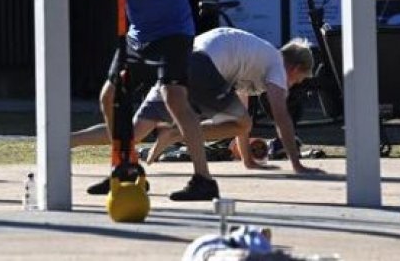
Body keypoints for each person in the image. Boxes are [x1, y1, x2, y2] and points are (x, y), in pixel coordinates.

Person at [81, 0, 217, 201]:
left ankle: (204, 179)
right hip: (137, 34)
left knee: (174, 98)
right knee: (108, 96)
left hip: (172, 30)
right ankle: (127, 166)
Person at [72, 29, 324, 192]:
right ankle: (175, 133)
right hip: (203, 64)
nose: (294, 85)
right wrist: (297, 165)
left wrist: (247, 160)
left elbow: (240, 112)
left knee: (132, 134)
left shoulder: (254, 58)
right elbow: (281, 116)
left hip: (179, 59)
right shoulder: (275, 64)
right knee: (244, 122)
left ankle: (67, 140)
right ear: (295, 68)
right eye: (299, 80)